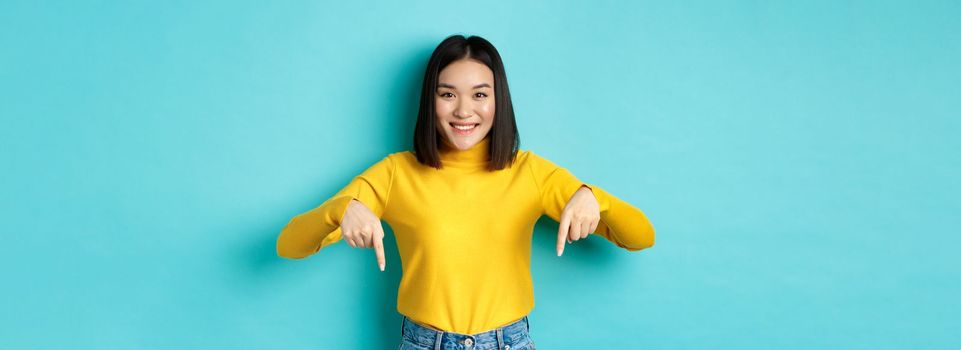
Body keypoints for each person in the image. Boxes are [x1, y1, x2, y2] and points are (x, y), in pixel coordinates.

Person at [276, 34, 655, 350]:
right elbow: (289, 245)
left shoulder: (530, 172)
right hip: (424, 341)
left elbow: (641, 237)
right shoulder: (395, 173)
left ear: (497, 100)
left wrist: (595, 197)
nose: (463, 111)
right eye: (447, 94)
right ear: (431, 101)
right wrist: (342, 209)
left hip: (510, 341)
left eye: (479, 95)